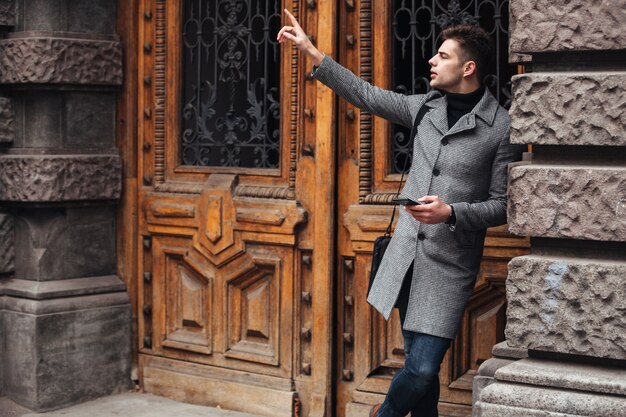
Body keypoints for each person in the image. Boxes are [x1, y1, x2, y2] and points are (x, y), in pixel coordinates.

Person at [278, 9, 525, 417]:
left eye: (442, 56)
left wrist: (452, 211)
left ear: (468, 67)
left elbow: (502, 205)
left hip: (450, 263)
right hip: (406, 256)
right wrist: (311, 51)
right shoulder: (424, 108)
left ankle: (383, 414)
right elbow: (366, 95)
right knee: (419, 367)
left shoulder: (500, 127)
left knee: (423, 367)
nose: (432, 60)